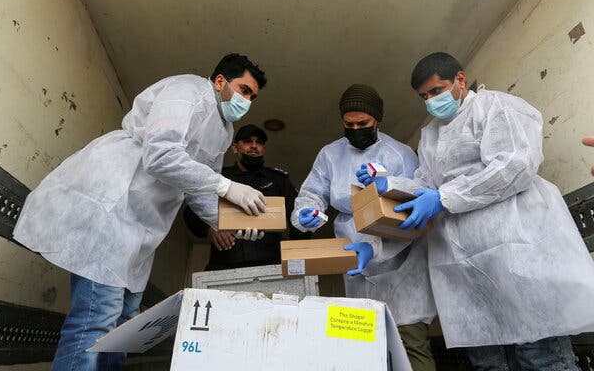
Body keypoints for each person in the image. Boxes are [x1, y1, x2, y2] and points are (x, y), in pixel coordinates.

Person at [12, 53, 269, 370]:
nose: (247, 101)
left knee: (123, 329)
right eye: (244, 90)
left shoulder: (224, 130)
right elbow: (161, 155)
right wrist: (228, 187)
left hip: (139, 229)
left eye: (252, 97)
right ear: (220, 81)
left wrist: (231, 221)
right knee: (97, 319)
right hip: (113, 204)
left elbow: (198, 189)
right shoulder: (188, 91)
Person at [357, 52, 594, 370]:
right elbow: (425, 186)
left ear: (460, 80)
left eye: (436, 91)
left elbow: (514, 166)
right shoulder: (431, 136)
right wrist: (387, 186)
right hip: (467, 276)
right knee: (490, 364)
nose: (430, 101)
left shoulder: (496, 107)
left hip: (515, 257)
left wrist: (444, 197)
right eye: (424, 96)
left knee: (541, 359)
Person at [292, 84, 436, 371]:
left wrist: (387, 190)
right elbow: (312, 193)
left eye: (363, 123)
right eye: (349, 124)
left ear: (377, 120)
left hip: (401, 267)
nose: (356, 129)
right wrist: (306, 211)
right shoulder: (330, 155)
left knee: (411, 346)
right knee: (363, 350)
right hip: (355, 265)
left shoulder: (400, 154)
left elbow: (410, 212)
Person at [183, 124, 309, 270]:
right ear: (235, 148)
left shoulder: (278, 180)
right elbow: (192, 211)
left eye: (259, 142)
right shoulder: (219, 178)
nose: (254, 146)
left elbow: (298, 218)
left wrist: (297, 259)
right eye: (248, 141)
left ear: (263, 149)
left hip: (269, 265)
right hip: (225, 265)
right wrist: (211, 227)